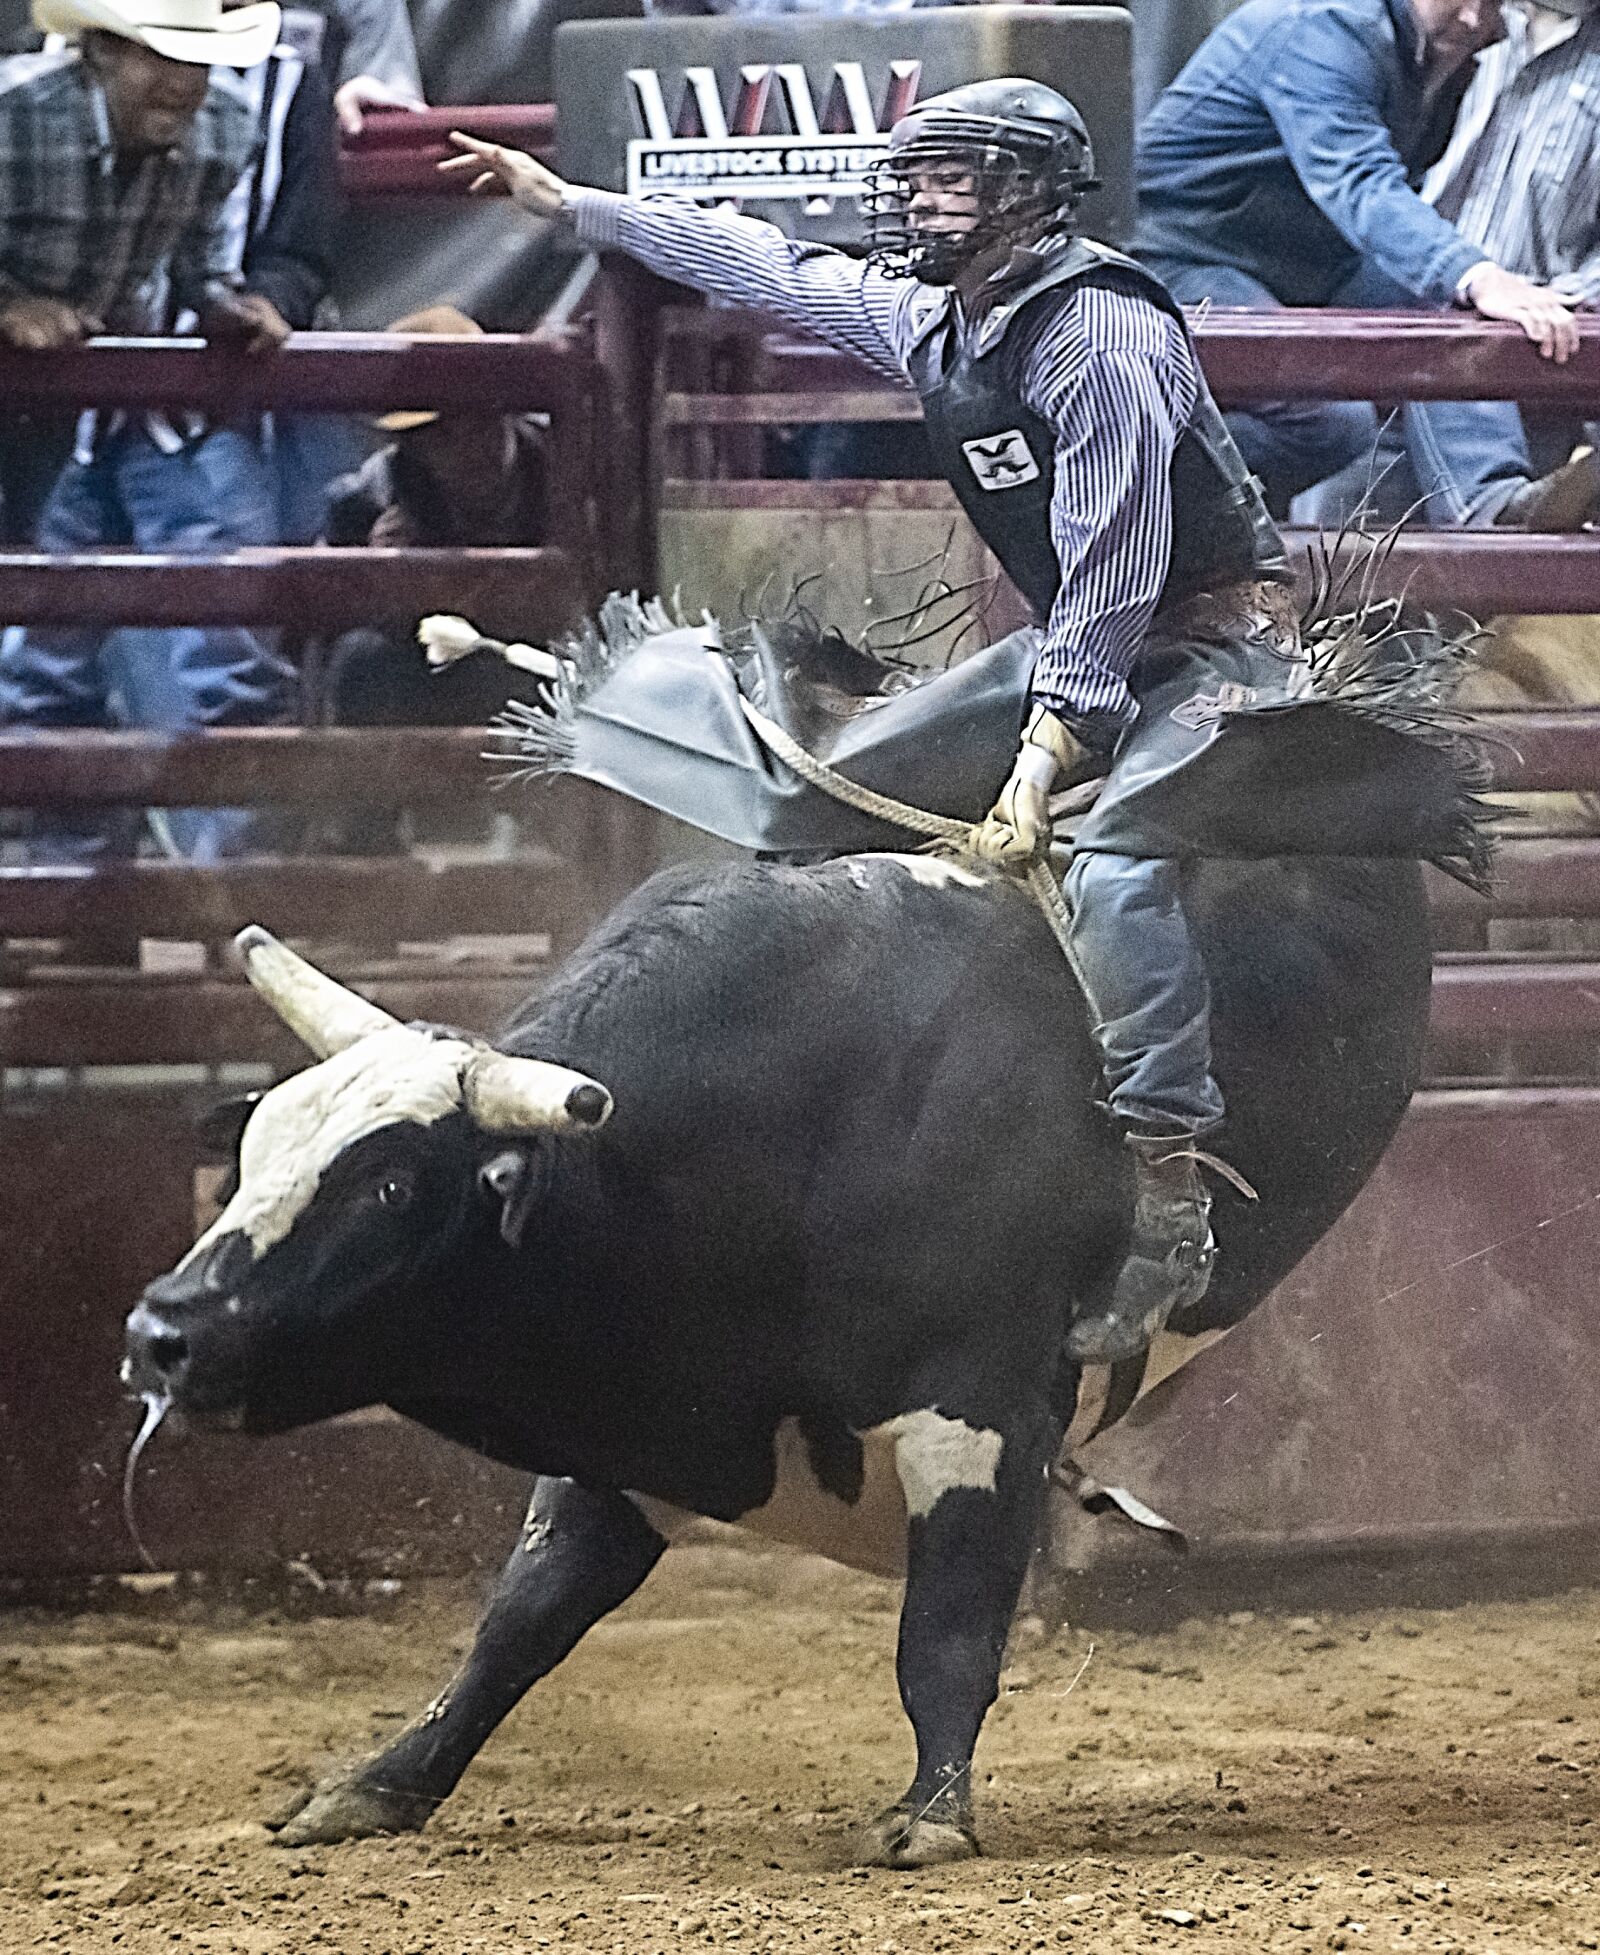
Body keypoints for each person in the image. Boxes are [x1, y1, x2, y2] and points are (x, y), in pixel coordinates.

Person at [440, 84, 1314, 1365]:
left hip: (1216, 644)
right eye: (914, 177)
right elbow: (770, 265)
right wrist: (577, 208)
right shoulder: (939, 322)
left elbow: (1116, 562)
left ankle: (1168, 1191)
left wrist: (1040, 756)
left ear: (1026, 189)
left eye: (946, 177)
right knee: (812, 793)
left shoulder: (1101, 338)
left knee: (1121, 873)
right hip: (1087, 635)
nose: (913, 199)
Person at [0, 0, 293, 865]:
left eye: (198, 60)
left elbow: (198, 254)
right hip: (45, 369)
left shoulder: (220, 130)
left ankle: (73, 896)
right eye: (159, 57)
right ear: (98, 54)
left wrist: (222, 303)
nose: (183, 83)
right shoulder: (13, 113)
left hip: (66, 395)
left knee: (42, 610)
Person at [1134, 0, 1600, 529]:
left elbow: (1394, 187)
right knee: (1333, 422)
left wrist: (1468, 283)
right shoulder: (1324, 28)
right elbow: (1359, 181)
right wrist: (1479, 274)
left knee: (1440, 306)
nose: (1474, 17)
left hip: (1301, 259)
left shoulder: (1433, 57)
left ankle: (1490, 501)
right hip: (1184, 255)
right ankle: (1137, 468)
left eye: (1490, 2)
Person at [1308, 0, 1600, 525]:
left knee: (1481, 546)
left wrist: (1554, 301)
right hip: (1406, 321)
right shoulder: (1467, 25)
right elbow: (1377, 175)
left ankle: (1489, 503)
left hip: (1529, 352)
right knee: (1334, 517)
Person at [322, 302, 549, 732]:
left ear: (504, 410)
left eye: (480, 419)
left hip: (542, 667)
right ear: (415, 446)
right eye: (442, 434)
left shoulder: (568, 473)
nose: (469, 447)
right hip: (435, 683)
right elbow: (321, 633)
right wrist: (381, 582)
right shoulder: (368, 500)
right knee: (363, 658)